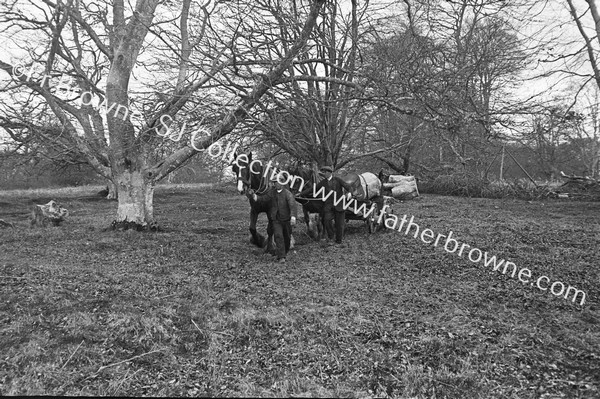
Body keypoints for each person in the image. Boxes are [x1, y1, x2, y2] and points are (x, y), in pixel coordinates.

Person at [252, 175, 297, 262]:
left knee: (287, 238)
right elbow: (263, 199)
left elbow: (292, 205)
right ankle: (281, 257)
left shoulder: (288, 194)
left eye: (277, 182)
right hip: (276, 220)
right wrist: (254, 196)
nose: (275, 184)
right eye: (274, 182)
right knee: (278, 236)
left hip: (286, 220)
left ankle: (285, 251)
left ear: (282, 183)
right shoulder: (272, 193)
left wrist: (293, 217)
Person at [311, 165, 353, 245]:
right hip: (329, 206)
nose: (324, 174)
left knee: (339, 224)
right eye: (323, 172)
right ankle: (331, 237)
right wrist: (301, 194)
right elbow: (313, 189)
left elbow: (348, 187)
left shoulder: (338, 180)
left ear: (330, 173)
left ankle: (338, 240)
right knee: (326, 220)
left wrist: (350, 193)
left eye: (325, 172)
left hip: (340, 205)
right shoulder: (323, 183)